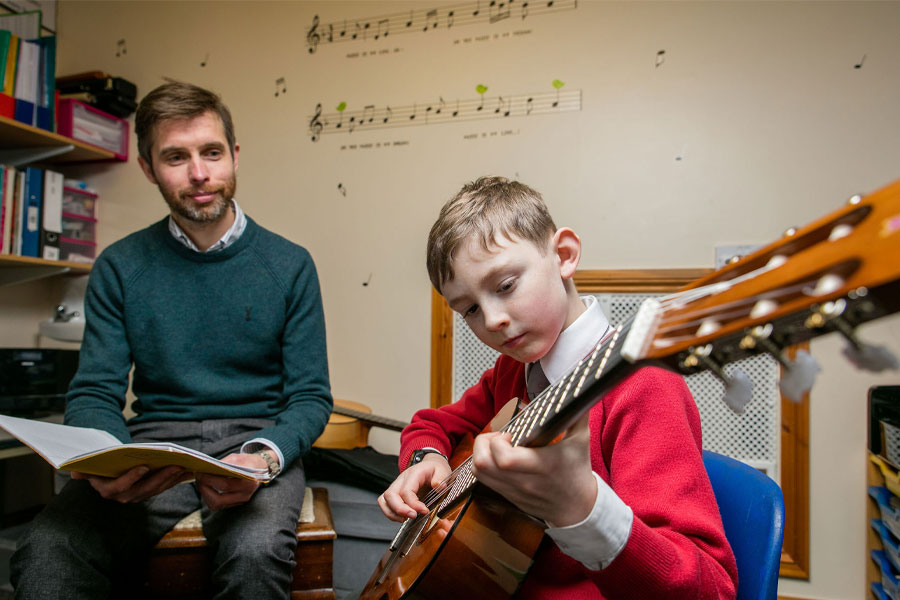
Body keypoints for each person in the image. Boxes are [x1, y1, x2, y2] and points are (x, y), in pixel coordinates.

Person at [11, 82, 332, 599]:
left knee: (255, 557)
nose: (199, 174)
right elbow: (94, 392)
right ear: (147, 168)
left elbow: (311, 397)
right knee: (48, 551)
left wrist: (268, 454)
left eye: (211, 152)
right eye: (175, 157)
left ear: (234, 155)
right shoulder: (120, 265)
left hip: (252, 448)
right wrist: (105, 457)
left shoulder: (290, 265)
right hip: (152, 449)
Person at [377, 176, 738, 598]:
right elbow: (434, 423)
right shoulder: (512, 373)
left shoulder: (645, 387)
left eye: (506, 286)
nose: (492, 320)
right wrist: (425, 458)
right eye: (470, 308)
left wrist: (580, 508)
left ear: (564, 255)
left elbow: (712, 589)